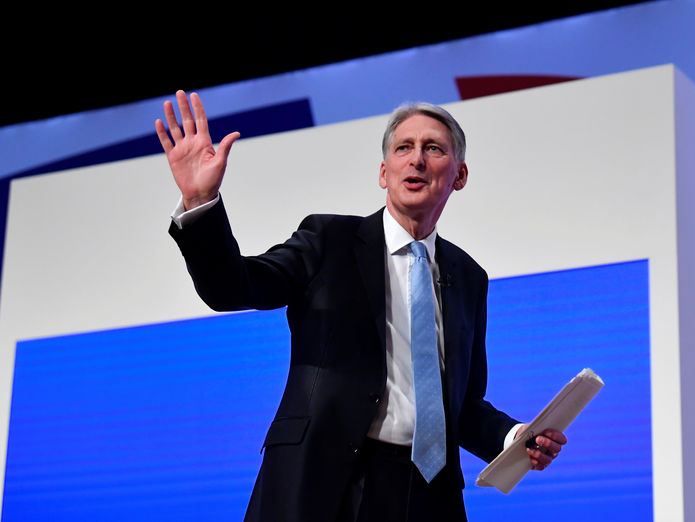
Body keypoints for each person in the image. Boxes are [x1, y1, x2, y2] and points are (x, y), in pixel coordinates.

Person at [156, 90, 567, 522]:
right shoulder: (328, 240)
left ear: (459, 175)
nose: (417, 160)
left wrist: (514, 437)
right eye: (403, 148)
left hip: (427, 495)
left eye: (433, 148)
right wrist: (201, 204)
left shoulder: (468, 276)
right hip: (324, 482)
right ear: (383, 172)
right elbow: (233, 288)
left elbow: (459, 406)